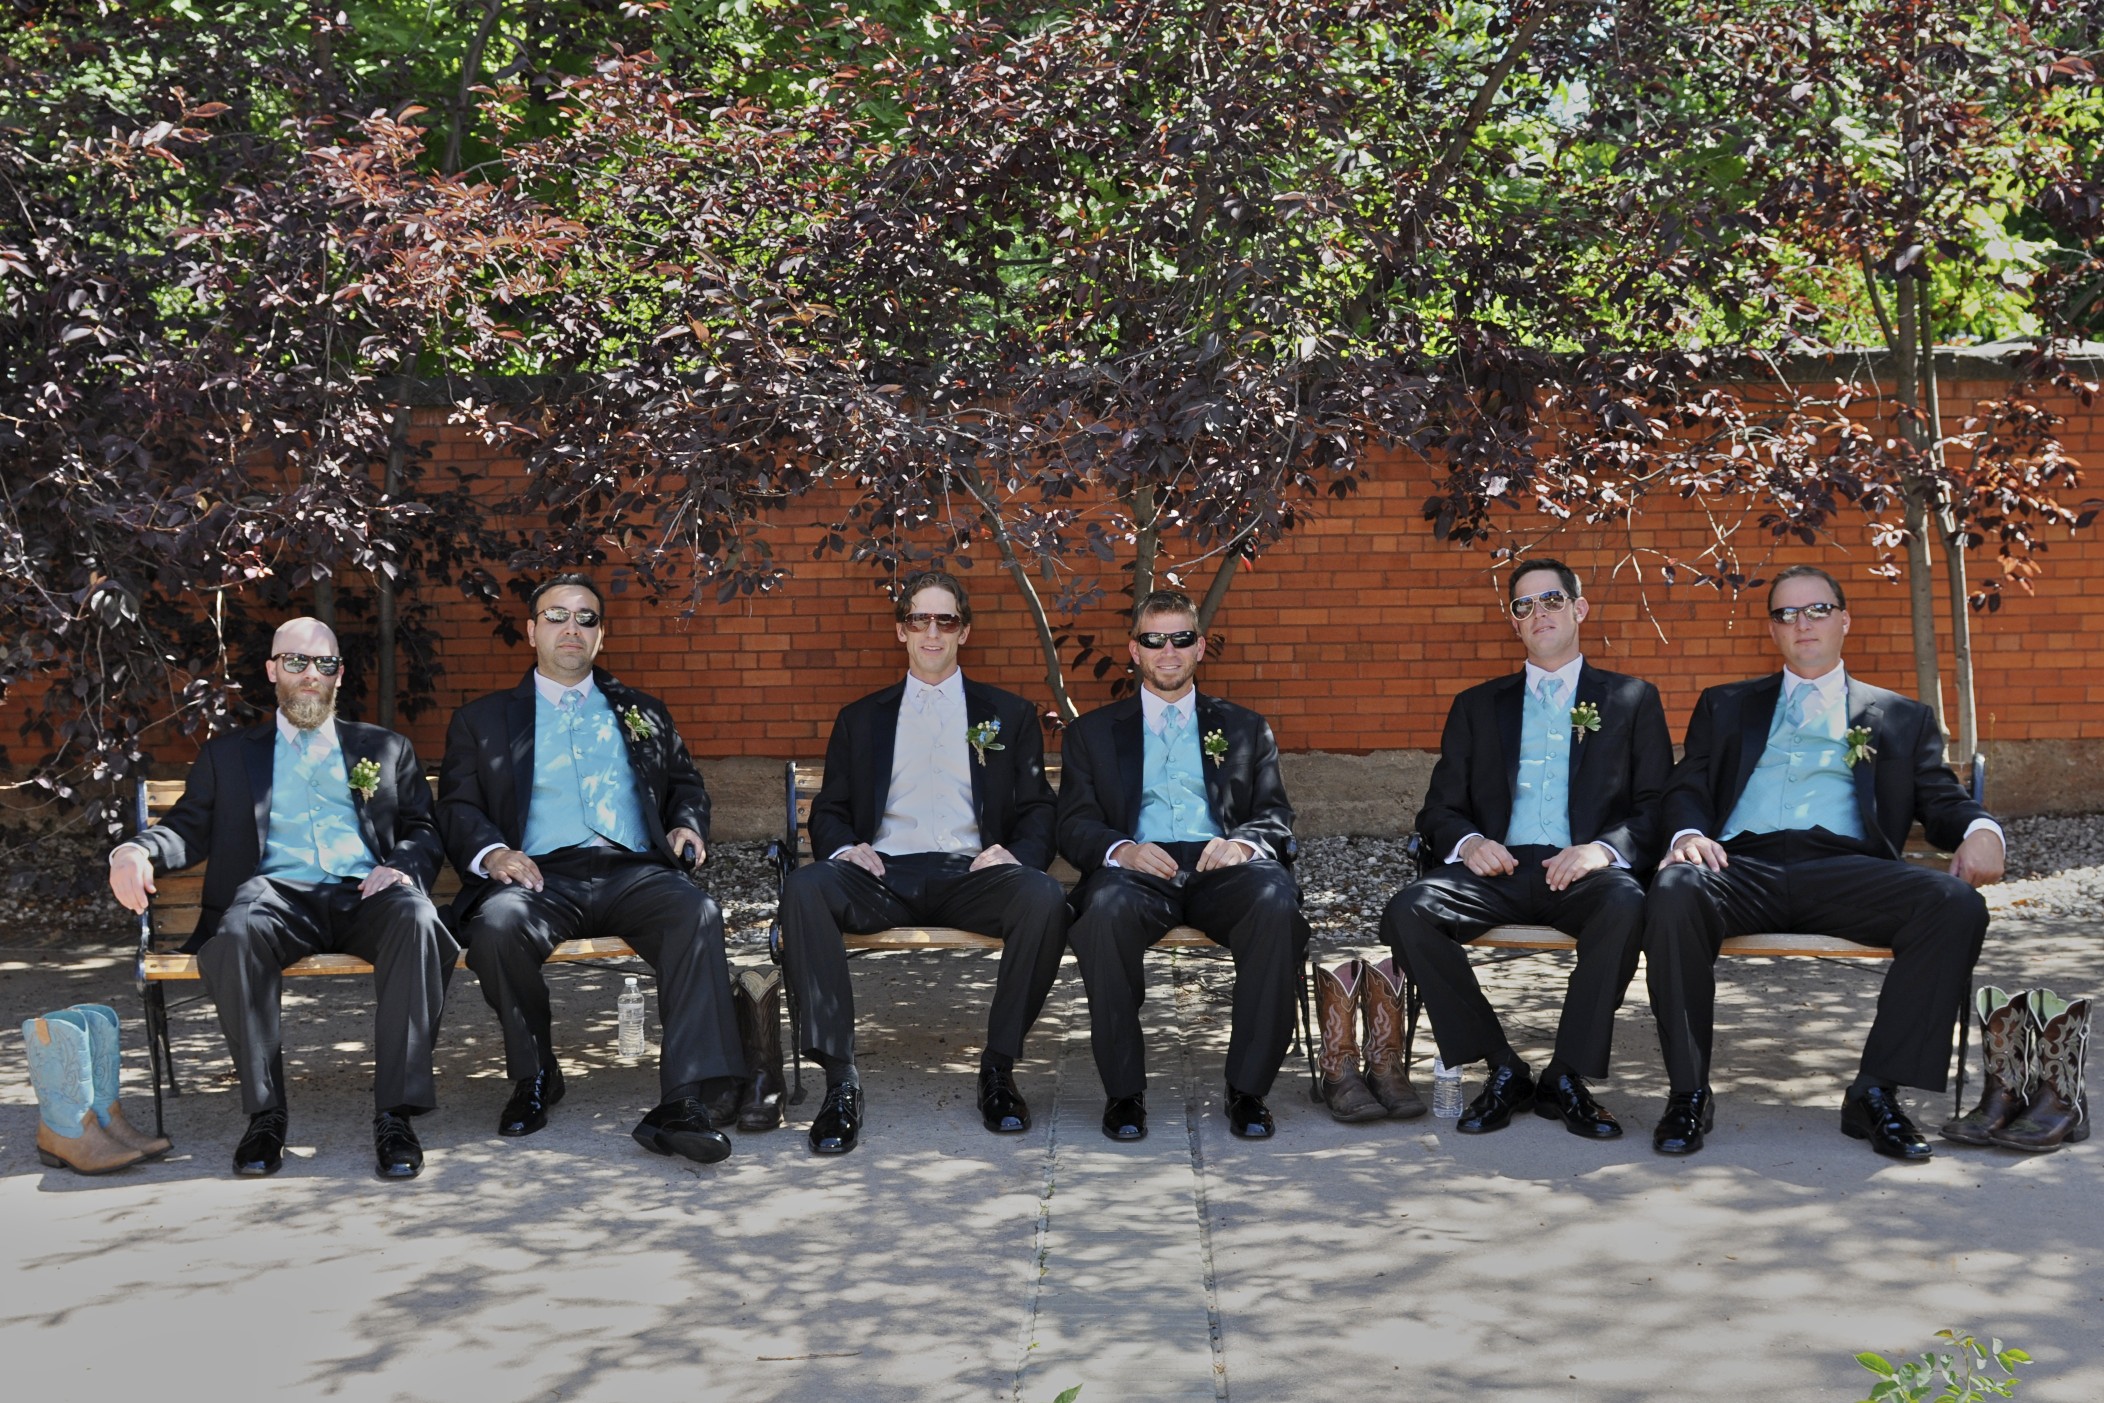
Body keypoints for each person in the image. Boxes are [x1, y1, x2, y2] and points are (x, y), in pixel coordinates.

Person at [1644, 564, 2005, 1159]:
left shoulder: (1901, 716)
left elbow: (1941, 799)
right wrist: (1686, 834)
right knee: (1675, 889)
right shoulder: (1726, 705)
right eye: (1786, 613)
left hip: (1847, 870)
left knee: (1955, 904)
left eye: (1816, 610)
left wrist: (1981, 829)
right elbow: (1689, 786)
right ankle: (1688, 1092)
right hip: (1740, 867)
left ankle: (1875, 1091)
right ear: (1773, 631)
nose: (1802, 623)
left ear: (1844, 621)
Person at [108, 617, 455, 1179]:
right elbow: (187, 828)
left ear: (339, 674)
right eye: (296, 661)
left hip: (366, 892)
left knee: (418, 920)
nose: (310, 673)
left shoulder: (385, 748)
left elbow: (423, 828)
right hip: (274, 897)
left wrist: (400, 867)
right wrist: (133, 851)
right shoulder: (229, 756)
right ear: (273, 671)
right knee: (237, 934)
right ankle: (266, 1116)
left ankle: (396, 1115)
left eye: (324, 663)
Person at [437, 574, 743, 1165]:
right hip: (540, 876)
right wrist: (493, 854)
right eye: (556, 616)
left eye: (586, 618)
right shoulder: (483, 720)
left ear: (602, 636)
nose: (571, 628)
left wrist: (686, 824)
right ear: (532, 631)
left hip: (632, 871)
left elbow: (685, 783)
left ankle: (684, 1101)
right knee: (497, 928)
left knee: (696, 913)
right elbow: (457, 806)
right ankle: (535, 1074)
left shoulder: (642, 711)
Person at [1379, 560, 1673, 1138]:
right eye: (1524, 605)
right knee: (1408, 910)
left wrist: (1602, 851)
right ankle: (1503, 1067)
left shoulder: (1632, 699)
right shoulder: (1477, 705)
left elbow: (1656, 804)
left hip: (1584, 871)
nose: (1539, 612)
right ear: (1514, 622)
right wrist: (1470, 843)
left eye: (1552, 599)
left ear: (1579, 609)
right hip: (1499, 869)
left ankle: (1566, 1076)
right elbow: (1439, 809)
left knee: (1627, 905)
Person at [781, 571, 1068, 1155]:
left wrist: (1014, 854)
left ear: (964, 631)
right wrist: (845, 848)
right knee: (806, 888)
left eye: (946, 620)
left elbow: (1040, 807)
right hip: (884, 875)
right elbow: (830, 809)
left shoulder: (1008, 714)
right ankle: (841, 1082)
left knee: (1044, 897)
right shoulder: (862, 718)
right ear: (901, 630)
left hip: (973, 875)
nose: (932, 632)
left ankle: (998, 1069)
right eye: (919, 619)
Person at [1056, 589, 1304, 1142]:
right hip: (1138, 871)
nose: (1167, 650)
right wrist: (1122, 850)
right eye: (1154, 639)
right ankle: (1124, 1093)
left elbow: (1275, 815)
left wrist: (1243, 844)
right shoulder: (1092, 733)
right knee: (1102, 914)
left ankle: (1248, 1091)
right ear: (1135, 650)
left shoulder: (1245, 727)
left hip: (1224, 868)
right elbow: (1073, 823)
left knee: (1275, 905)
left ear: (1200, 647)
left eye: (1181, 638)